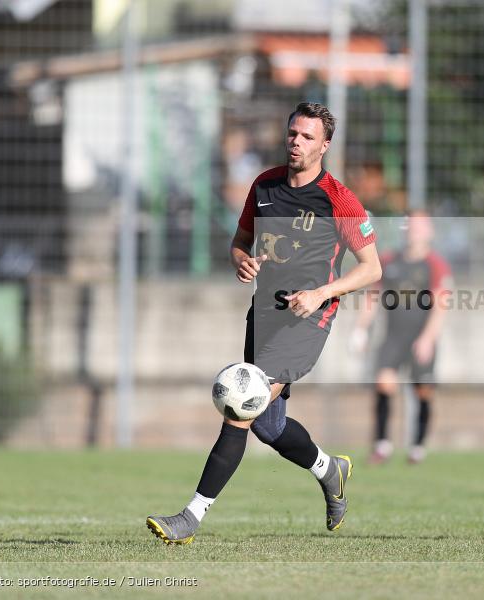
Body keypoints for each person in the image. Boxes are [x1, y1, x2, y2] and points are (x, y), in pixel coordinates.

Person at [146, 102, 382, 544]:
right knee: (267, 425)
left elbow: (371, 269)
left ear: (325, 146)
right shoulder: (264, 185)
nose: (297, 142)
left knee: (241, 405)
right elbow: (240, 242)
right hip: (265, 315)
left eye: (307, 136)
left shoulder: (339, 198)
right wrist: (241, 260)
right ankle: (329, 469)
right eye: (293, 133)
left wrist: (320, 294)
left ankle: (190, 518)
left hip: (307, 321)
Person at [351, 211, 451, 465]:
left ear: (429, 231)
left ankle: (417, 446)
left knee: (423, 392)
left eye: (419, 226)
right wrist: (360, 330)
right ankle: (382, 444)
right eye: (410, 225)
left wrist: (427, 339)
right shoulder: (388, 260)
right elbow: (372, 297)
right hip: (393, 336)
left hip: (421, 337)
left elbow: (441, 305)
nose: (413, 230)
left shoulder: (435, 264)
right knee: (384, 384)